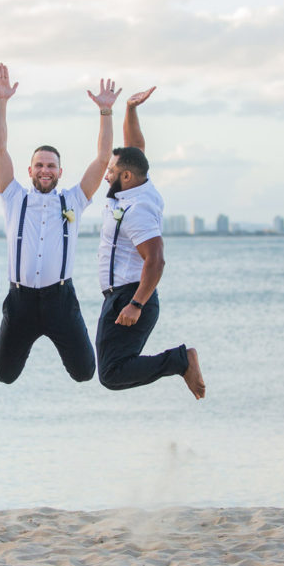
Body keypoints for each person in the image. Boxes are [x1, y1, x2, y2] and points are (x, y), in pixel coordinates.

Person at [0, 63, 120, 385]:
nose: (45, 170)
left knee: (84, 372)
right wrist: (2, 101)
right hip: (20, 301)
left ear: (60, 171)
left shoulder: (73, 200)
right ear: (29, 170)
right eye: (39, 165)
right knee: (3, 375)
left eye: (51, 166)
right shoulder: (12, 196)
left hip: (60, 300)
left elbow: (103, 160)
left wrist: (105, 112)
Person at [95, 87, 206, 399]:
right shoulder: (136, 187)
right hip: (120, 296)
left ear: (127, 177)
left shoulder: (137, 209)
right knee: (111, 372)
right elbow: (136, 147)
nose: (106, 176)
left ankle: (181, 360)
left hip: (130, 297)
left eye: (111, 172)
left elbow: (155, 260)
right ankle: (179, 360)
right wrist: (130, 109)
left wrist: (136, 304)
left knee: (112, 373)